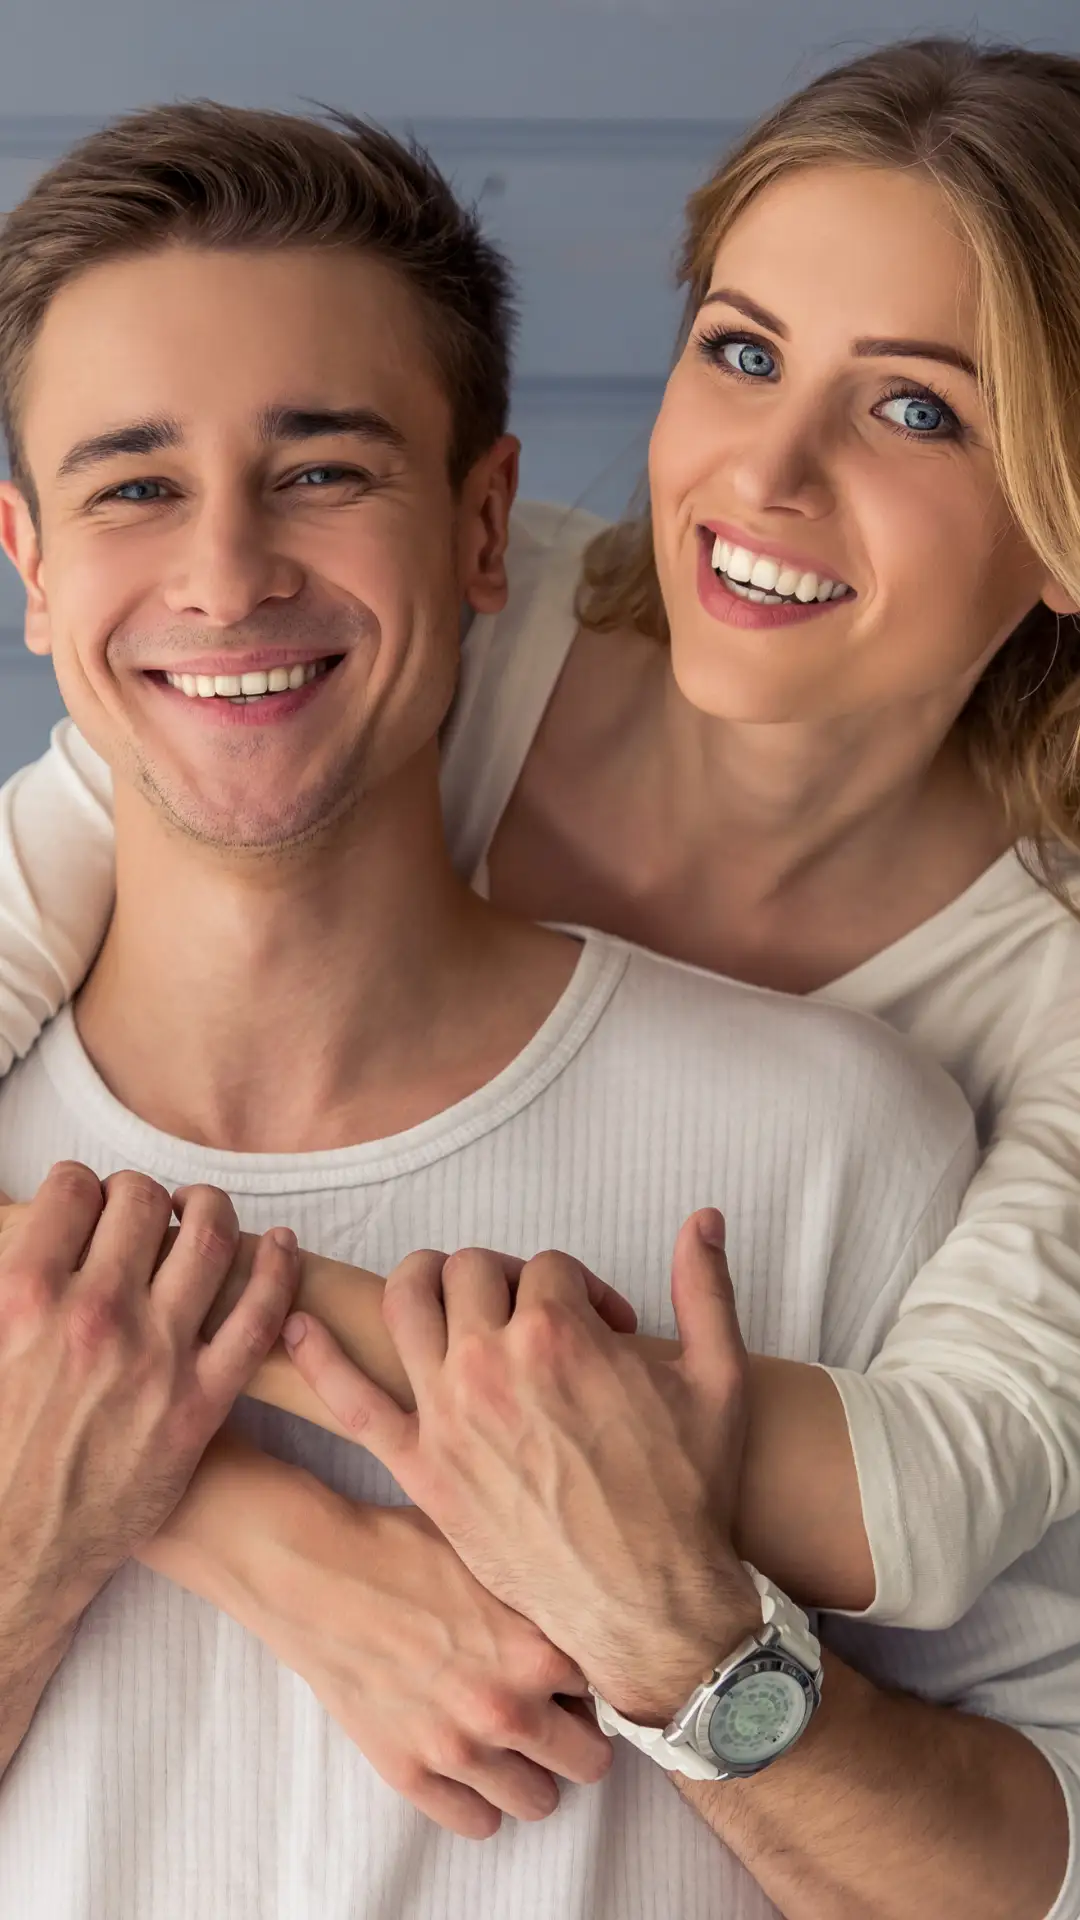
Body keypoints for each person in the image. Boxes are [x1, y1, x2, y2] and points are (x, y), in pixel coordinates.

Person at [0, 96, 1072, 1920]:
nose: (768, 474)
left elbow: (943, 1502)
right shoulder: (317, 677)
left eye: (918, 407)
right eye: (744, 351)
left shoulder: (904, 1114)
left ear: (474, 522)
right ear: (32, 565)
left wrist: (667, 1619)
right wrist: (239, 1518)